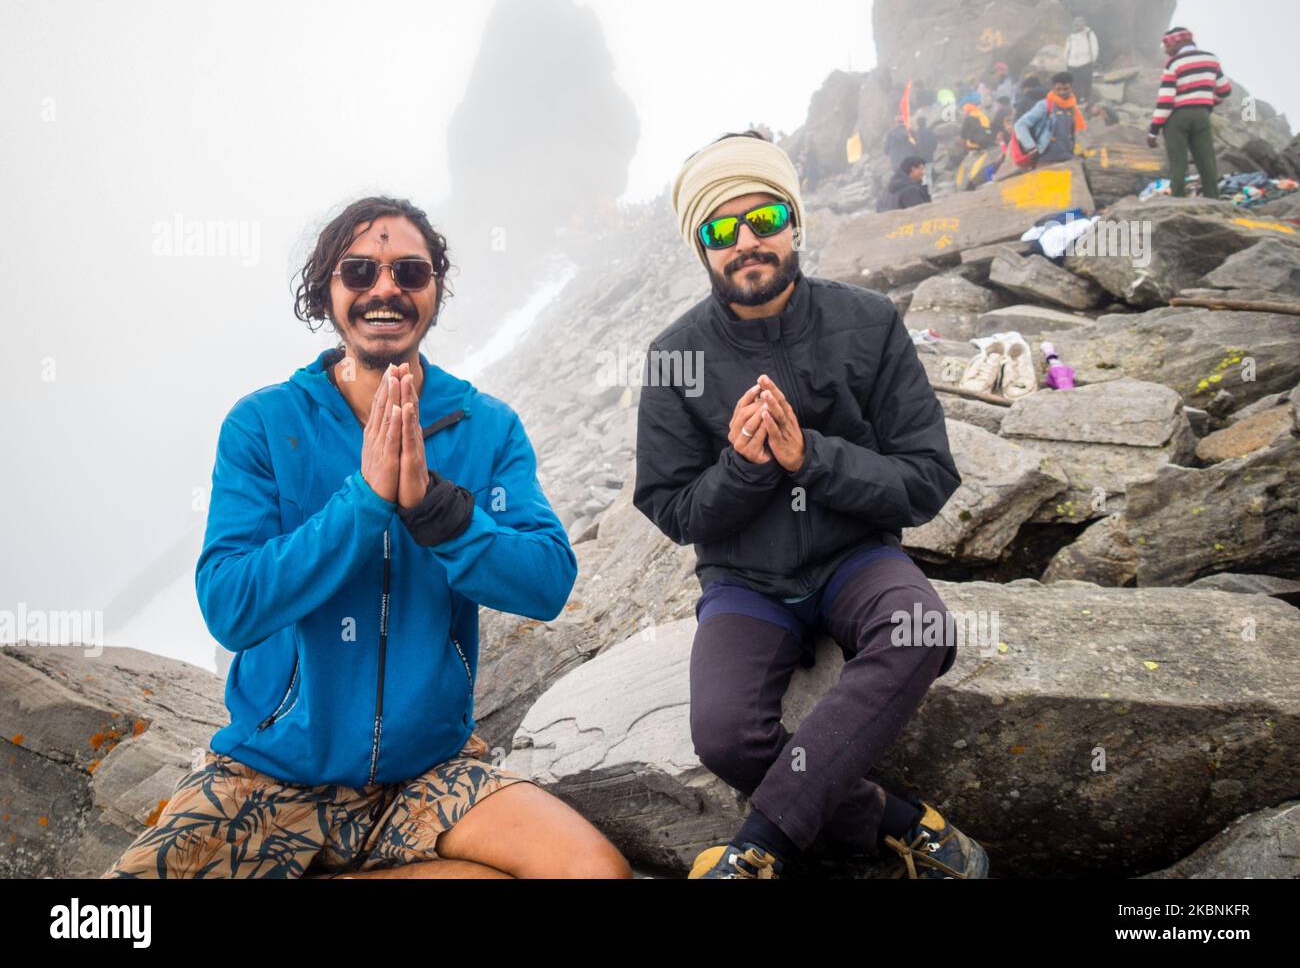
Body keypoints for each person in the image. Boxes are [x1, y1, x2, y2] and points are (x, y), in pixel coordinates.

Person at [104, 196, 630, 880]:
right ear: (327, 291)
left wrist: (440, 510)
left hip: (430, 772)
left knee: (592, 871)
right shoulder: (264, 423)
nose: (385, 288)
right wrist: (364, 503)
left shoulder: (485, 425)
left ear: (435, 290)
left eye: (409, 271)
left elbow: (548, 580)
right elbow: (230, 603)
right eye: (359, 270)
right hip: (271, 775)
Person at [633, 130, 986, 881]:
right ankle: (893, 818)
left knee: (921, 630)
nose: (746, 241)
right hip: (745, 582)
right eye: (721, 229)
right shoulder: (674, 356)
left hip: (856, 557)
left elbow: (927, 477)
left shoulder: (869, 322)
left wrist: (809, 459)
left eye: (763, 218)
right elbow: (672, 507)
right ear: (702, 248)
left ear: (795, 222)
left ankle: (761, 847)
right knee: (724, 734)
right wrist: (747, 467)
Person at [1146, 26, 1233, 199]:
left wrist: (1153, 131)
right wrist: (1208, 101)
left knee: (1178, 163)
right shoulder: (1211, 59)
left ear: (1179, 42)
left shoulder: (1174, 63)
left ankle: (1178, 200)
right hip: (1202, 115)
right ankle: (1212, 199)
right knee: (1206, 161)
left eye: (1168, 45)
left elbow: (1166, 100)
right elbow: (1225, 90)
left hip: (1177, 118)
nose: (1165, 50)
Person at [1014, 71, 1087, 166]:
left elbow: (1077, 133)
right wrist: (1031, 147)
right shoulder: (1045, 105)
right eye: (1058, 89)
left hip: (1068, 159)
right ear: (1053, 89)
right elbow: (1020, 124)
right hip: (1047, 159)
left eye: (1066, 89)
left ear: (1071, 88)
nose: (1062, 92)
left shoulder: (1073, 109)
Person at [1063, 17, 1100, 104]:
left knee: (1086, 82)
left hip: (1086, 62)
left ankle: (1087, 101)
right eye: (1077, 24)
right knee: (1074, 84)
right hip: (1072, 64)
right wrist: (1066, 61)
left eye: (1081, 24)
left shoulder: (1089, 33)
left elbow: (1095, 47)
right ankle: (1076, 101)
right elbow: (1067, 49)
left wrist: (1093, 59)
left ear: (1084, 24)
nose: (1079, 25)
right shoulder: (1070, 36)